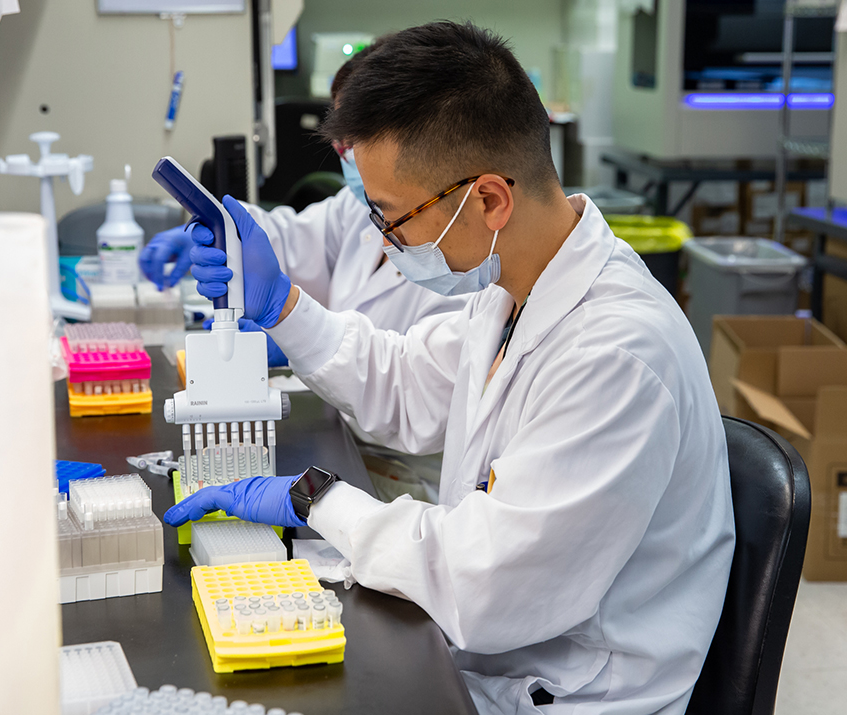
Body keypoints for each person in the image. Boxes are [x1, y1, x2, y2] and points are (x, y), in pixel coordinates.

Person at [166, 22, 735, 715]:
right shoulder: (515, 290)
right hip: (490, 657)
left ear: (489, 199)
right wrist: (282, 304)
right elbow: (404, 380)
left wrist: (318, 497)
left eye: (392, 219)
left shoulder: (616, 354)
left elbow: (489, 585)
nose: (385, 241)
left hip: (566, 693)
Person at [139, 39, 468, 366]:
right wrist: (227, 230)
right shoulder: (356, 208)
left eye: (358, 141)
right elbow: (294, 239)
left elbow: (411, 381)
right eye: (342, 144)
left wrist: (295, 333)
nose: (351, 155)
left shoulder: (464, 256)